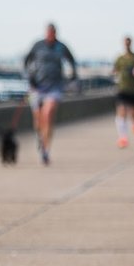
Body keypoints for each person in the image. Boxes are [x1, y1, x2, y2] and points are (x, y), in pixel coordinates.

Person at [23, 23, 77, 165]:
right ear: (46, 33)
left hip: (55, 87)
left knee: (48, 115)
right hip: (37, 87)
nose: (50, 36)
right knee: (38, 119)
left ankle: (45, 151)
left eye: (53, 33)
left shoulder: (61, 47)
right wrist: (29, 77)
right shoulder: (38, 45)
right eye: (48, 33)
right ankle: (39, 138)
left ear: (56, 33)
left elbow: (72, 61)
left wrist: (73, 76)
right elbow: (26, 61)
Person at [112, 35, 134, 149]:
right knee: (121, 111)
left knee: (133, 114)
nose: (127, 44)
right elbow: (115, 70)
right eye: (125, 43)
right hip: (122, 88)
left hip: (133, 89)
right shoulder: (120, 58)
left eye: (128, 42)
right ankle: (123, 137)